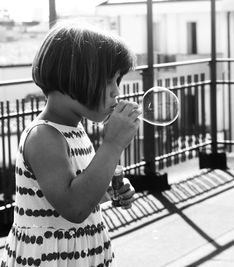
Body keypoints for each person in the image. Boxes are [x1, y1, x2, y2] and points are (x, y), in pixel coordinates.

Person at [1, 20, 141, 267]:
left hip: (81, 255)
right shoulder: (44, 136)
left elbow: (77, 189)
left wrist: (106, 191)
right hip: (49, 259)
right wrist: (112, 145)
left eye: (118, 81)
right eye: (110, 80)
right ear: (74, 77)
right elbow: (74, 207)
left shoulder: (74, 129)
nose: (116, 92)